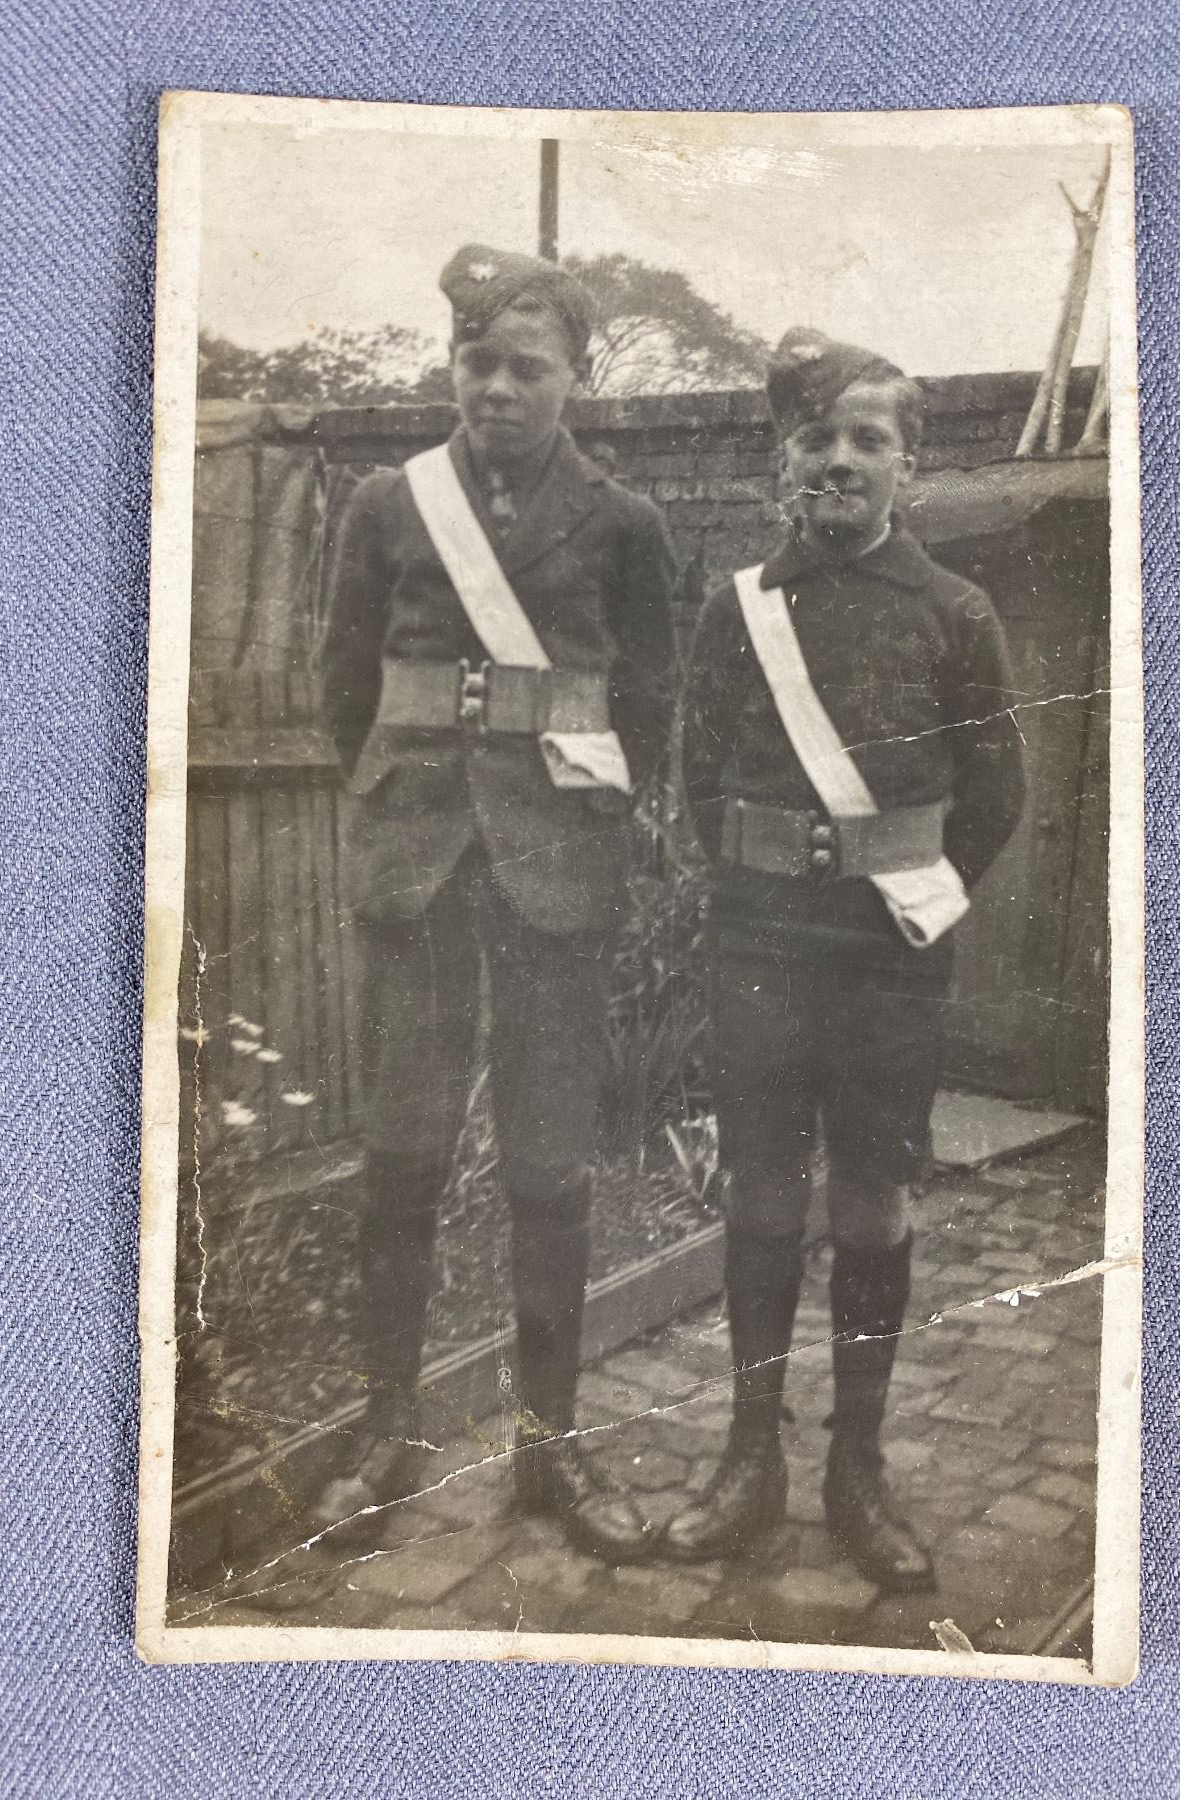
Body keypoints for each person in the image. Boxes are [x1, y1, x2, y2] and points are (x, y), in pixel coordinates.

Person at [319, 245, 678, 1564]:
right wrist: (399, 805)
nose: (498, 389)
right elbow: (343, 687)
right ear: (452, 366)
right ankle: (384, 1434)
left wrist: (582, 825)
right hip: (416, 866)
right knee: (399, 1156)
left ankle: (549, 1448)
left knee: (548, 1166)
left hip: (554, 874)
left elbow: (647, 707)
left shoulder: (625, 525)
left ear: (577, 376)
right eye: (478, 363)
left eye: (528, 367)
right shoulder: (386, 504)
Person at [671, 328, 1026, 1588]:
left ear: (907, 466)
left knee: (874, 1194)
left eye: (867, 439)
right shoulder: (739, 609)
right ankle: (748, 1460)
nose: (839, 460)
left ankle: (856, 1473)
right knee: (762, 1191)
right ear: (785, 457)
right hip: (763, 942)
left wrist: (916, 905)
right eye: (815, 437)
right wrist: (758, 890)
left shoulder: (955, 612)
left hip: (887, 960)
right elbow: (699, 778)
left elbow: (994, 796)